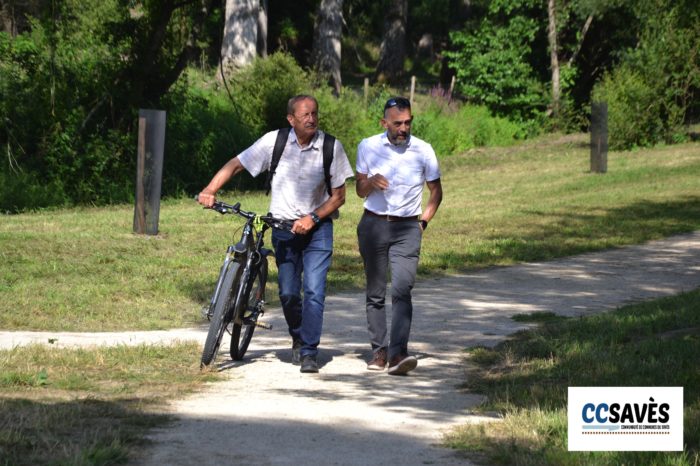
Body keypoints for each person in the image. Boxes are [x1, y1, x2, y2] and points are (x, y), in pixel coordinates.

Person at [197, 95, 354, 373]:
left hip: (318, 229)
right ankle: (298, 336)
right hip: (283, 230)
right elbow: (236, 164)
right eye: (305, 115)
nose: (312, 119)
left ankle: (308, 352)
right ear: (291, 119)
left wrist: (313, 217)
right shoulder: (275, 141)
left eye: (315, 113)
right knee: (289, 293)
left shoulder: (331, 146)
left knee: (314, 291)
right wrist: (210, 189)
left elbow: (339, 197)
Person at [355, 96, 443, 375]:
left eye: (408, 122)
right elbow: (358, 189)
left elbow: (436, 191)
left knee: (403, 289)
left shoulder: (423, 150)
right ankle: (379, 352)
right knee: (376, 292)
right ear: (384, 123)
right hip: (374, 225)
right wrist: (370, 182)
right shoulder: (367, 146)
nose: (404, 128)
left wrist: (423, 222)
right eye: (398, 123)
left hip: (407, 228)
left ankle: (398, 354)